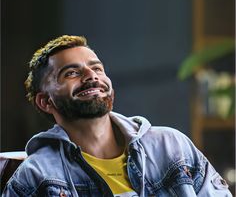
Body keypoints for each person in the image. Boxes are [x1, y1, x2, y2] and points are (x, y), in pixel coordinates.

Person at [3, 35, 232, 196]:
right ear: (45, 101)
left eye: (97, 68)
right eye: (71, 73)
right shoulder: (36, 176)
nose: (91, 76)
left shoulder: (172, 147)